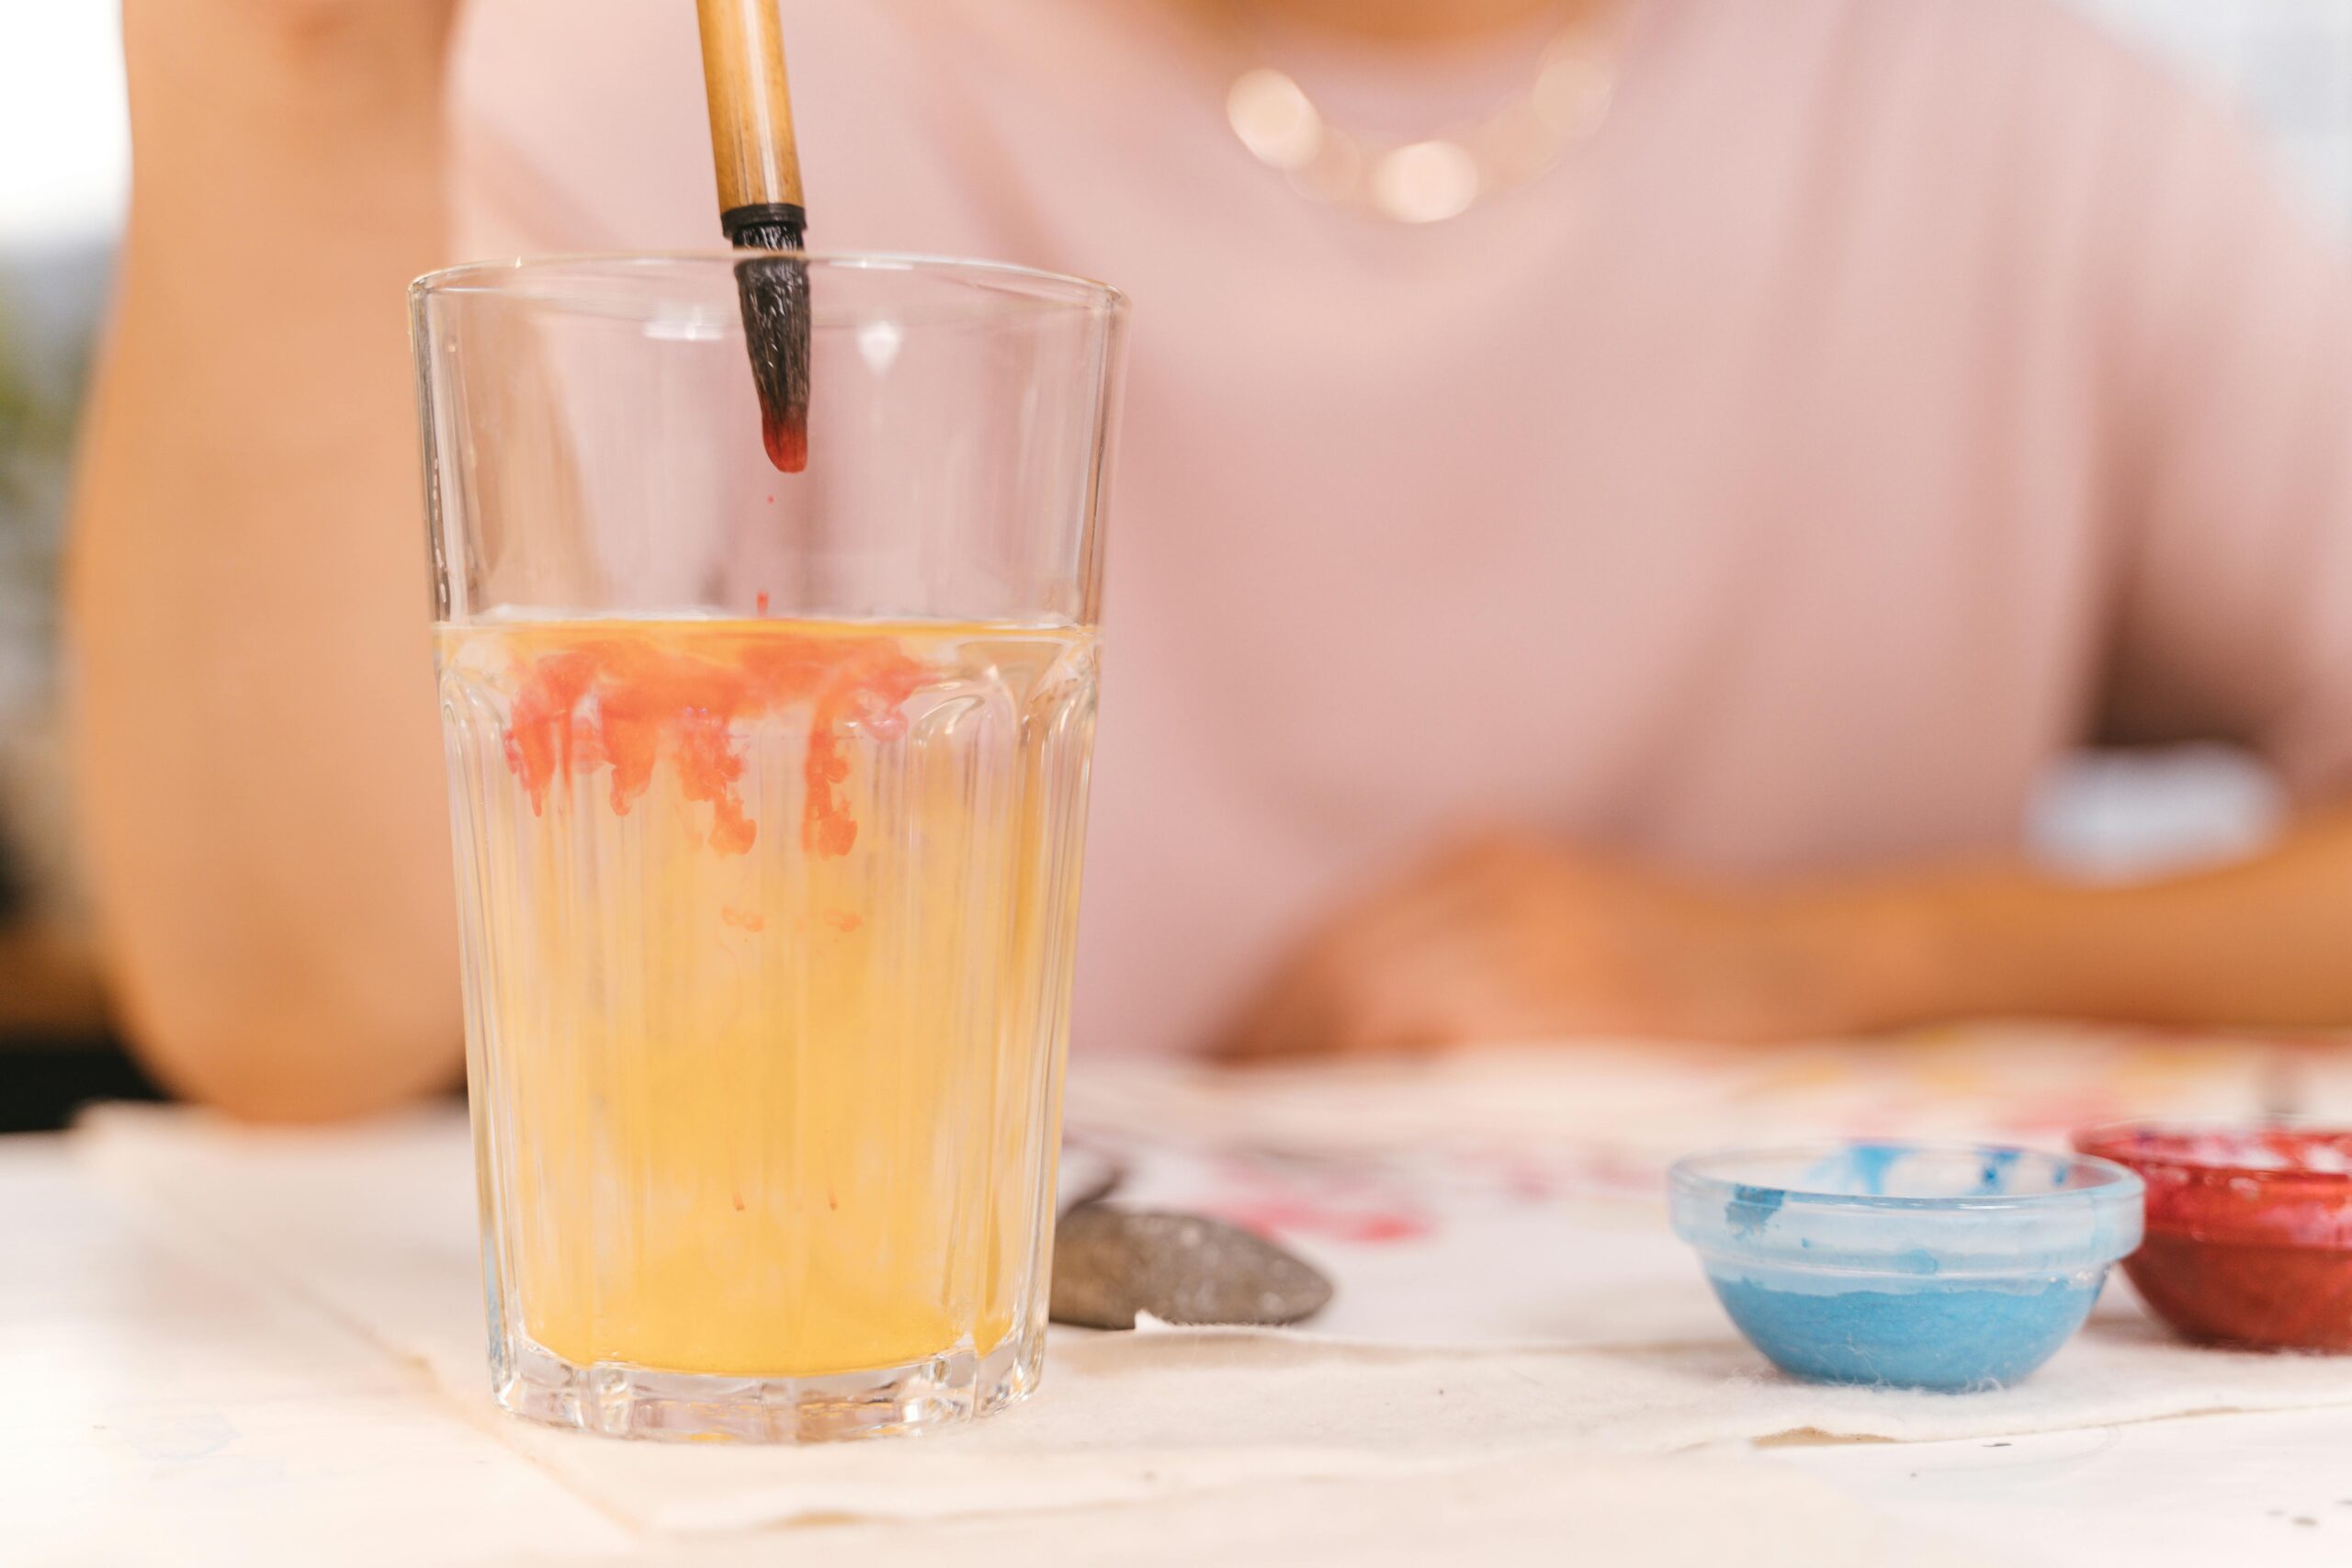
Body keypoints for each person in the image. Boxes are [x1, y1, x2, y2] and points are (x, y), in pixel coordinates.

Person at [70, 0, 2352, 1122]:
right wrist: (291, 86)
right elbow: (301, 1010)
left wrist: (1833, 953)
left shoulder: (2039, 138)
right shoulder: (624, 85)